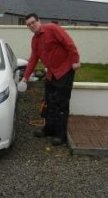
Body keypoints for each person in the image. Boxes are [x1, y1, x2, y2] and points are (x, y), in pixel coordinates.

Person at [20, 13, 81, 146]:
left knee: (61, 104)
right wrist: (25, 78)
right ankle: (48, 129)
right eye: (28, 25)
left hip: (65, 71)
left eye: (33, 22)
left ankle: (60, 135)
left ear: (39, 20)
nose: (31, 26)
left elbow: (69, 43)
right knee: (49, 102)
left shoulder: (52, 29)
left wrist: (75, 60)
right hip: (51, 74)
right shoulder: (34, 40)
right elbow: (33, 59)